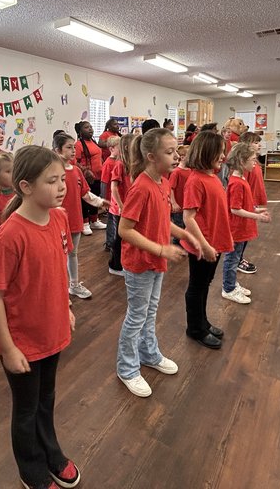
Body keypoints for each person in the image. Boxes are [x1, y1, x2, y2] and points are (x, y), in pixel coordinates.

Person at [0, 145, 81, 489]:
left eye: (61, 179)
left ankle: (51, 450)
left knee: (47, 399)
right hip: (22, 342)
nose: (61, 187)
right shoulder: (9, 235)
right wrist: (8, 348)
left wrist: (66, 307)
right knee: (26, 409)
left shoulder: (59, 218)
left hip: (53, 332)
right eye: (51, 181)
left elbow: (58, 272)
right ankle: (31, 468)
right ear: (25, 187)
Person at [116, 128, 201, 397]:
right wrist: (161, 250)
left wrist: (183, 233)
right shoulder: (140, 187)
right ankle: (126, 367)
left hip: (155, 260)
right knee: (136, 316)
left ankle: (148, 354)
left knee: (150, 311)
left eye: (177, 150)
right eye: (170, 152)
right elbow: (125, 229)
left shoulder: (164, 182)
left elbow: (161, 219)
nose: (177, 156)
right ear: (151, 156)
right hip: (140, 262)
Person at [181, 131, 233, 349]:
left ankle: (203, 322)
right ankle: (195, 328)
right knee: (197, 286)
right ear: (206, 152)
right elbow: (188, 217)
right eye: (219, 152)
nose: (223, 156)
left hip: (214, 241)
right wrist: (204, 245)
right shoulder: (195, 181)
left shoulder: (212, 176)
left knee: (205, 284)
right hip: (203, 244)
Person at [54, 132, 109, 299]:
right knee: (57, 256)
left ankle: (74, 285)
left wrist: (101, 202)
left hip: (75, 219)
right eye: (68, 147)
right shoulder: (51, 171)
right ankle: (58, 290)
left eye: (73, 147)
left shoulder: (77, 171)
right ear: (57, 150)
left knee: (73, 253)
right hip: (56, 221)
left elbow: (85, 194)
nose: (72, 151)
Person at [222, 143, 270, 304]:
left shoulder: (241, 179)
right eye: (252, 160)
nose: (255, 163)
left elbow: (244, 205)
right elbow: (235, 209)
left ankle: (232, 284)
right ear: (242, 161)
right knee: (232, 259)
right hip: (236, 228)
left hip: (242, 228)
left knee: (236, 258)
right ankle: (228, 288)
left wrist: (256, 211)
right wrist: (257, 217)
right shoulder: (236, 182)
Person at [234, 131, 269, 273]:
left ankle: (239, 257)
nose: (259, 145)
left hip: (252, 199)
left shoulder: (254, 162)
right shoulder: (245, 165)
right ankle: (237, 259)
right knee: (242, 232)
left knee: (247, 232)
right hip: (246, 202)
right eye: (255, 142)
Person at [108, 134, 136, 277]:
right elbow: (113, 188)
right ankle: (115, 265)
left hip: (129, 208)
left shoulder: (132, 164)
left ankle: (123, 263)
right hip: (120, 209)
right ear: (127, 147)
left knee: (126, 237)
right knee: (119, 238)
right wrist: (121, 205)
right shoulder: (119, 164)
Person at [74, 121, 106, 234]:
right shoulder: (78, 144)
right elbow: (75, 161)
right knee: (86, 200)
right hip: (87, 177)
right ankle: (85, 223)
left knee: (95, 197)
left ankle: (94, 220)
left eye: (91, 127)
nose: (90, 129)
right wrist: (85, 171)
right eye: (87, 127)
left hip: (98, 176)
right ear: (80, 131)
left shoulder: (93, 142)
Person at [100, 136, 121, 251]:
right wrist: (103, 199)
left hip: (114, 199)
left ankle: (110, 243)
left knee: (112, 221)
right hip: (110, 199)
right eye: (119, 148)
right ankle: (110, 243)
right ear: (112, 148)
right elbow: (104, 182)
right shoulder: (108, 163)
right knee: (112, 223)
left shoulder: (118, 162)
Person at [169, 144, 191, 238]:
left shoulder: (190, 170)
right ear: (182, 157)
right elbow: (171, 188)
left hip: (186, 205)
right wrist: (173, 203)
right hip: (179, 207)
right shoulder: (176, 172)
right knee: (179, 230)